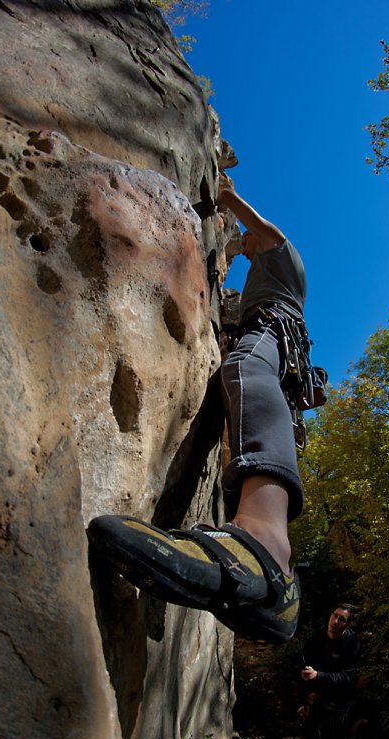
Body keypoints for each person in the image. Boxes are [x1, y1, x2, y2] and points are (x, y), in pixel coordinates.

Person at [87, 174, 309, 644]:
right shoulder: (268, 278)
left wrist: (225, 197)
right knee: (243, 384)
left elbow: (266, 231)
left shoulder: (283, 259)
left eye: (247, 244)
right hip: (276, 342)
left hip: (273, 330)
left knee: (245, 370)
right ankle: (275, 573)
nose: (244, 246)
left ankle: (265, 544)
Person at [297, 603, 362, 739]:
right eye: (334, 616)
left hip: (340, 699)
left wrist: (318, 675)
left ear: (348, 624)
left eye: (342, 619)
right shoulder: (316, 639)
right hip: (317, 696)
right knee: (310, 737)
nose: (335, 621)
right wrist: (304, 698)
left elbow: (347, 677)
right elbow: (304, 670)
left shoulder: (352, 643)